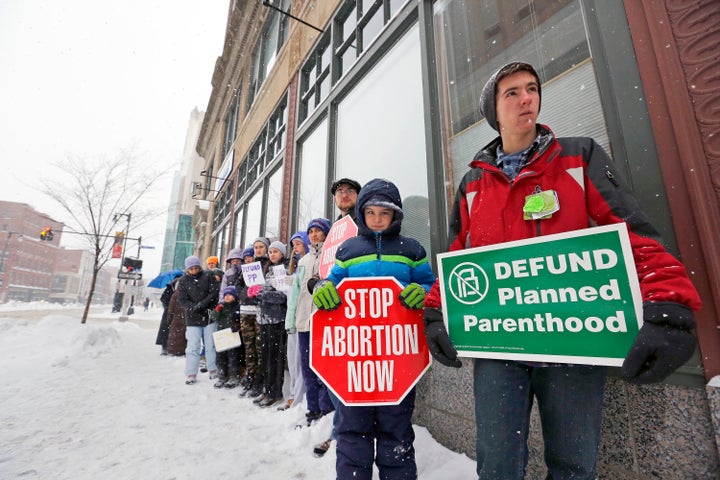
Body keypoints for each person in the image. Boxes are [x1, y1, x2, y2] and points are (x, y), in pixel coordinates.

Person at [422, 61, 702, 480]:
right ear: (493, 112)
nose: (525, 98)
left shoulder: (577, 156)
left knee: (573, 465)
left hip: (570, 341)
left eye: (531, 88)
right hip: (500, 345)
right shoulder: (472, 184)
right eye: (511, 93)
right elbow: (460, 259)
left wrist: (668, 303)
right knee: (497, 465)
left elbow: (631, 234)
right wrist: (437, 312)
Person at [312, 178, 436, 480]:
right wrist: (323, 290)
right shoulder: (348, 249)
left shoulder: (413, 249)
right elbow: (331, 283)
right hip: (354, 359)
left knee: (397, 430)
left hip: (398, 359)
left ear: (396, 215)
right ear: (362, 214)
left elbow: (429, 283)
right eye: (371, 213)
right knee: (352, 430)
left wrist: (423, 291)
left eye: (385, 213)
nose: (378, 219)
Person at [313, 177, 363, 457]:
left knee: (351, 377)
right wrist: (316, 284)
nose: (344, 195)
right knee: (334, 375)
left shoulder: (365, 219)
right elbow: (325, 269)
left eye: (349, 191)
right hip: (334, 308)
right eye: (339, 192)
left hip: (360, 309)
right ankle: (342, 429)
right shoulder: (335, 229)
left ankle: (344, 434)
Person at [285, 218, 335, 426]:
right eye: (311, 231)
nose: (314, 235)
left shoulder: (331, 257)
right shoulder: (303, 261)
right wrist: (292, 320)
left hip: (323, 322)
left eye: (318, 231)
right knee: (307, 367)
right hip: (304, 322)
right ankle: (312, 408)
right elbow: (295, 294)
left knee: (324, 369)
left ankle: (325, 409)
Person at [249, 240, 290, 407]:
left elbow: (282, 297)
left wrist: (261, 293)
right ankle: (266, 389)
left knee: (275, 358)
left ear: (282, 254)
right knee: (265, 357)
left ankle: (275, 392)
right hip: (264, 320)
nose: (272, 254)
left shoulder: (283, 271)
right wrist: (255, 292)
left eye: (276, 252)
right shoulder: (268, 271)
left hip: (277, 320)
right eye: (271, 252)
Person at [176, 255, 221, 385]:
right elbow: (182, 299)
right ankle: (191, 373)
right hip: (192, 318)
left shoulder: (208, 275)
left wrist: (202, 304)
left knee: (210, 345)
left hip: (208, 315)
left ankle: (213, 369)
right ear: (187, 269)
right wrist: (193, 308)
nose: (194, 271)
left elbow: (214, 292)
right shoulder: (183, 281)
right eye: (191, 269)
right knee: (192, 346)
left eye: (196, 268)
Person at [279, 231, 310, 411]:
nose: (295, 248)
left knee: (300, 362)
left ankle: (298, 399)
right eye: (294, 245)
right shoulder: (296, 266)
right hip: (291, 319)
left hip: (301, 318)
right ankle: (292, 395)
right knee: (292, 361)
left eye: (298, 244)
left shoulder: (307, 265)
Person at [238, 237, 271, 398]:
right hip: (246, 310)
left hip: (260, 310)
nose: (258, 250)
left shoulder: (268, 265)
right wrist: (246, 294)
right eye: (256, 247)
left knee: (259, 346)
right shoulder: (248, 265)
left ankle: (259, 380)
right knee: (248, 346)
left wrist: (260, 292)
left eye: (261, 247)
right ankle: (250, 377)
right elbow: (238, 287)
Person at [213, 285, 243, 388]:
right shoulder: (222, 307)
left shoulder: (238, 307)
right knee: (220, 357)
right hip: (221, 335)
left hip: (232, 336)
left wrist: (237, 326)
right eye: (226, 295)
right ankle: (222, 376)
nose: (227, 297)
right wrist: (217, 310)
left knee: (233, 357)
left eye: (230, 295)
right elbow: (214, 318)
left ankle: (234, 377)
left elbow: (240, 319)